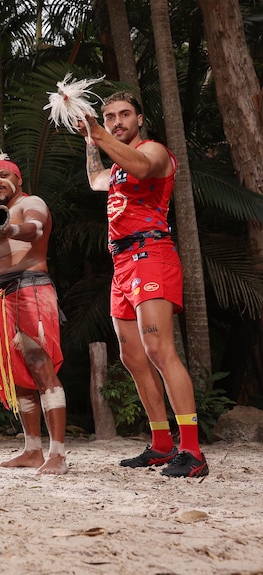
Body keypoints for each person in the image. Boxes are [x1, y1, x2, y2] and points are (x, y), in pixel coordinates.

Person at [78, 91, 208, 478]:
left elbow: (142, 166)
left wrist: (100, 134)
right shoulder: (116, 164)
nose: (117, 121)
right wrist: (91, 144)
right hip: (121, 264)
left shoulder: (154, 151)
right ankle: (162, 444)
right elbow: (94, 180)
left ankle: (194, 451)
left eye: (124, 115)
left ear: (139, 119)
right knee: (133, 357)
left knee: (158, 349)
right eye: (109, 116)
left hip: (151, 255)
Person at [0, 152, 68, 475]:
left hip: (31, 289)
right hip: (1, 297)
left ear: (18, 180)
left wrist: (6, 231)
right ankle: (32, 449)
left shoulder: (31, 203)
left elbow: (35, 230)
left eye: (3, 176)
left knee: (41, 367)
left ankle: (57, 453)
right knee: (20, 378)